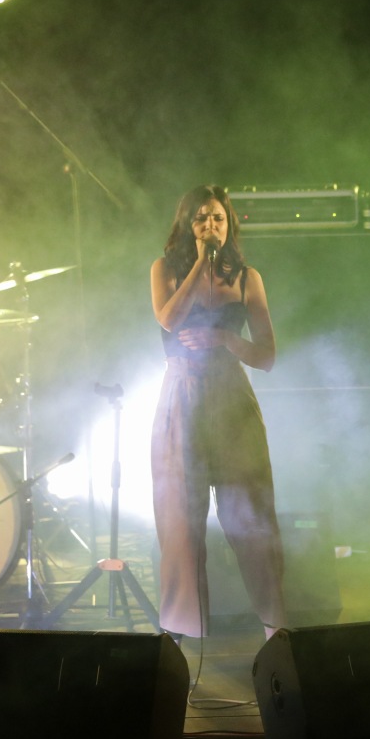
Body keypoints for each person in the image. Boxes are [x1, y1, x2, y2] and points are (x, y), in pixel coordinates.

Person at [149, 185, 288, 639]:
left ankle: (275, 631)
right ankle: (181, 642)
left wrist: (225, 339)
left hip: (231, 400)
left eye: (218, 219)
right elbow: (169, 318)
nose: (211, 226)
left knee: (251, 518)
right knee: (180, 525)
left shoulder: (248, 278)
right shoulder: (165, 269)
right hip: (182, 398)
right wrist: (200, 264)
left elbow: (267, 356)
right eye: (201, 218)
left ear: (229, 225)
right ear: (186, 224)